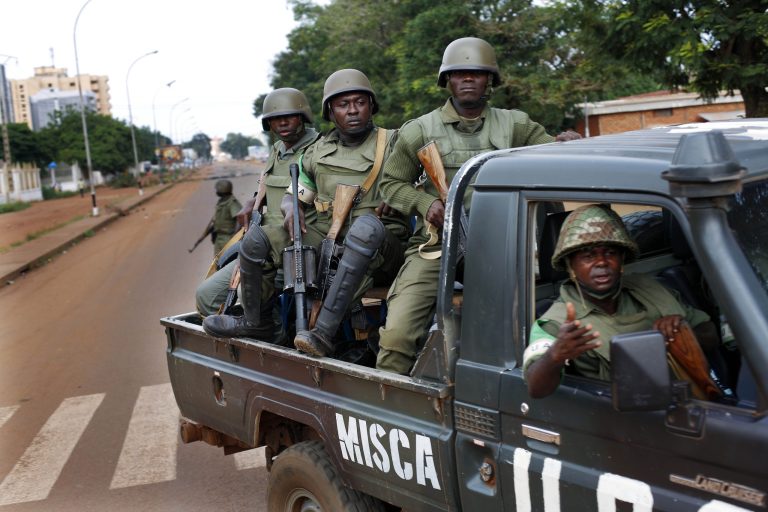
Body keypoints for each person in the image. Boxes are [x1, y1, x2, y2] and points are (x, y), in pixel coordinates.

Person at [375, 36, 581, 374]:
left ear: (490, 81)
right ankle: (389, 407)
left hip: (497, 246)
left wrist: (568, 143)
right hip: (437, 247)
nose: (467, 79)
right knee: (396, 336)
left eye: (476, 73)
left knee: (522, 325)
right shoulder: (420, 129)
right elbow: (390, 184)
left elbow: (552, 154)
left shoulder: (514, 124)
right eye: (459, 73)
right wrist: (426, 203)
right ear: (447, 81)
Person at [523, 204, 719, 398]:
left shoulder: (651, 289)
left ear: (622, 259)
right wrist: (556, 355)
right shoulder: (556, 322)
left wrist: (681, 332)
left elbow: (711, 334)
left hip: (689, 400)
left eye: (610, 253)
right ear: (570, 265)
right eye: (588, 255)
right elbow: (536, 388)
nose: (601, 262)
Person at [286, 69, 409, 357]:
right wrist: (289, 208)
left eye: (360, 102)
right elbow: (299, 195)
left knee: (366, 227)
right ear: (330, 110)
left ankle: (323, 333)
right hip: (337, 247)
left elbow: (426, 183)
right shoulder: (318, 151)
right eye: (343, 105)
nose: (353, 111)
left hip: (386, 252)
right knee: (289, 250)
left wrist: (400, 192)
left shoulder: (395, 142)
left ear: (371, 105)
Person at [196, 88, 320, 324]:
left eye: (289, 116)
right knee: (207, 295)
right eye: (275, 118)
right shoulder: (276, 150)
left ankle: (269, 334)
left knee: (255, 302)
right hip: (259, 246)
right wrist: (252, 203)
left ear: (303, 116)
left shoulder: (320, 149)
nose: (282, 123)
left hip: (298, 247)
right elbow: (265, 188)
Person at [210, 179, 243, 255]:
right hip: (219, 237)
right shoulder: (221, 201)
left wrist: (235, 236)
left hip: (228, 237)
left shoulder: (232, 202)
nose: (216, 191)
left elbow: (239, 218)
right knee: (216, 262)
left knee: (227, 260)